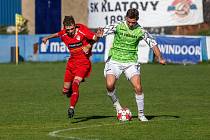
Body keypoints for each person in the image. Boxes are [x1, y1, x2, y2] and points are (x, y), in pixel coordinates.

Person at [97, 8, 166, 121]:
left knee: (138, 87)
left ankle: (141, 114)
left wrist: (160, 58)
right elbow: (102, 32)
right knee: (109, 85)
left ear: (137, 20)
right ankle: (118, 107)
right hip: (114, 60)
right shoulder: (118, 25)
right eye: (129, 21)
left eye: (133, 22)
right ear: (126, 18)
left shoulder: (141, 31)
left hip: (131, 62)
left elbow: (153, 44)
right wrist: (99, 35)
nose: (130, 24)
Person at [42, 16, 101, 118]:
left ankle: (72, 107)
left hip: (83, 63)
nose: (70, 31)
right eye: (67, 29)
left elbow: (95, 38)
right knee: (65, 91)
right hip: (71, 63)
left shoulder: (82, 30)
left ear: (75, 25)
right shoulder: (64, 33)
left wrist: (89, 45)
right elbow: (57, 34)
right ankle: (69, 90)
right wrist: (47, 37)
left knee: (75, 84)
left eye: (72, 29)